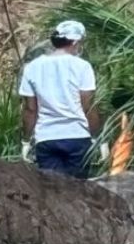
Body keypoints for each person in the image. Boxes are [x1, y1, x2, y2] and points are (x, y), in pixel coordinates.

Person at [18, 20, 105, 178]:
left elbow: (30, 109)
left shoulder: (32, 68)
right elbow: (88, 106)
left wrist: (26, 141)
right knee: (78, 188)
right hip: (77, 137)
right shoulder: (82, 67)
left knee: (52, 190)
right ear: (75, 42)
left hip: (46, 138)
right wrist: (99, 139)